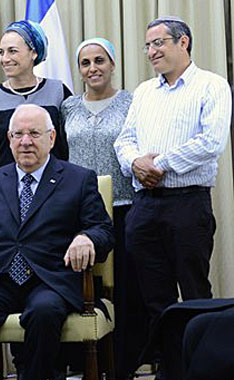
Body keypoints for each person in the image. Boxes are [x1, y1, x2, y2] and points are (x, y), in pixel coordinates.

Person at [0, 104, 114, 380]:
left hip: (50, 281)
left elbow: (103, 229)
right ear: (9, 139)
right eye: (18, 134)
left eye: (34, 133)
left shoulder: (78, 179)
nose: (25, 141)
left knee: (44, 311)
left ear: (51, 138)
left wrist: (86, 237)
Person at [113, 16, 231, 344]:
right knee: (155, 299)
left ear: (183, 42)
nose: (151, 51)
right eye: (147, 45)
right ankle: (170, 367)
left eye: (158, 43)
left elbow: (211, 143)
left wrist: (159, 165)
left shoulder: (211, 85)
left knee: (195, 295)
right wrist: (135, 163)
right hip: (144, 208)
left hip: (188, 205)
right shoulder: (144, 91)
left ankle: (203, 368)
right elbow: (124, 140)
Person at [61, 38, 146, 379]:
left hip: (124, 208)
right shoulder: (67, 107)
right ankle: (83, 366)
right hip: (77, 215)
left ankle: (125, 365)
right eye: (85, 62)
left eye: (99, 60)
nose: (92, 68)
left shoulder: (132, 102)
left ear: (112, 65)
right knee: (82, 290)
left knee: (127, 290)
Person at [0, 20, 70, 180]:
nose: (5, 59)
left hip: (54, 189)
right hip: (5, 190)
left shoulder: (58, 92)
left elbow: (69, 146)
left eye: (12, 51)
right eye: (1, 52)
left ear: (34, 53)